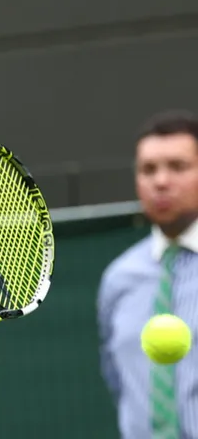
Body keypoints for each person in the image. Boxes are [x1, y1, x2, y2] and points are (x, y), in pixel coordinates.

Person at [97, 109, 198, 439]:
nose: (161, 181)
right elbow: (117, 379)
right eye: (148, 169)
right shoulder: (118, 278)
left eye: (178, 166)